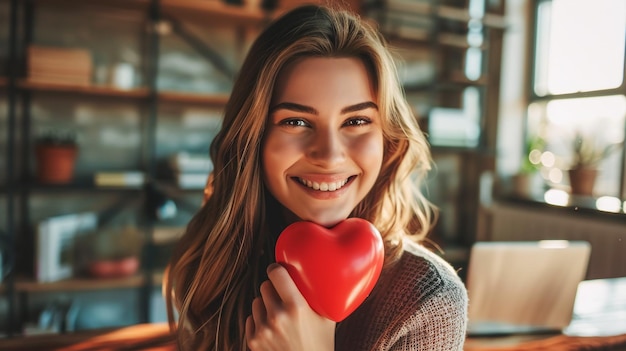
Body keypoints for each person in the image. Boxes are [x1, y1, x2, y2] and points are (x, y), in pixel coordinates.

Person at [164, 4, 468, 351]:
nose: (329, 155)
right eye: (295, 121)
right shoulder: (217, 266)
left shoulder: (428, 300)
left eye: (355, 121)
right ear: (253, 139)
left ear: (387, 138)